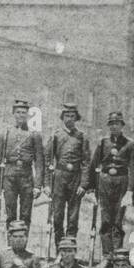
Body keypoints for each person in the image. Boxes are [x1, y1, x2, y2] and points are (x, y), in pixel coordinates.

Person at [86, 111, 134, 264]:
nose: (114, 126)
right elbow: (94, 165)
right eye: (112, 124)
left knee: (118, 219)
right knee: (106, 219)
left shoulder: (130, 144)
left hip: (121, 182)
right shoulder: (103, 143)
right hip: (105, 182)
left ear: (122, 126)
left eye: (117, 124)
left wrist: (129, 191)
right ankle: (106, 255)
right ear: (109, 126)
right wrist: (91, 188)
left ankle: (118, 254)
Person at [45, 103, 90, 243]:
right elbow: (48, 160)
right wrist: (47, 184)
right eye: (67, 116)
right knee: (57, 215)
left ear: (76, 118)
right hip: (59, 177)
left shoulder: (81, 137)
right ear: (62, 118)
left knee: (73, 216)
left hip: (75, 179)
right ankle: (59, 247)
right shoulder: (56, 136)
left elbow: (86, 162)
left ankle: (70, 246)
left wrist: (83, 184)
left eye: (72, 116)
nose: (69, 119)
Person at [0, 99, 45, 227]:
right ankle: (11, 245)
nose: (21, 115)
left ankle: (22, 245)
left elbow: (39, 162)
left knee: (25, 215)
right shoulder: (5, 134)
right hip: (9, 177)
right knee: (10, 214)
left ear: (28, 115)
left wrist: (38, 185)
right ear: (13, 113)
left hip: (27, 178)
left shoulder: (34, 135)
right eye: (18, 112)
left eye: (24, 112)